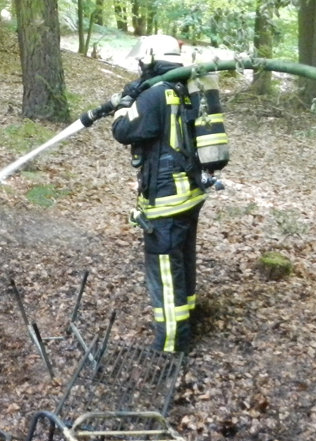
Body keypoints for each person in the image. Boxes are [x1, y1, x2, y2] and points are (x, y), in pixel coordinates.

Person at [110, 41, 207, 354]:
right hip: (189, 193)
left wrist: (125, 103)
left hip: (166, 199)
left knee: (165, 270)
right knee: (182, 259)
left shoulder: (155, 95)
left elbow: (123, 130)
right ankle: (187, 315)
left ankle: (171, 342)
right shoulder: (184, 87)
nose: (140, 67)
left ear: (151, 59)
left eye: (142, 62)